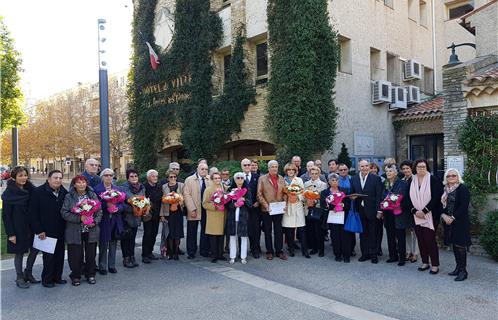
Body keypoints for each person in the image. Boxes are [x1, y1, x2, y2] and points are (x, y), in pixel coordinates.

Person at [2, 166, 39, 288]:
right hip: (18, 228)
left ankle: (28, 272)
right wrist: (11, 234)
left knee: (35, 249)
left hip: (32, 226)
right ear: (14, 177)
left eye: (25, 175)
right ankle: (19, 277)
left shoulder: (31, 189)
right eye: (20, 176)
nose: (24, 178)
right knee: (19, 252)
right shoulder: (9, 193)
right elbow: (6, 216)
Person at [61, 175, 102, 286]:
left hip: (91, 229)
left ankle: (90, 274)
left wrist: (95, 222)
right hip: (75, 230)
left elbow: (99, 211)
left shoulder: (92, 194)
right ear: (74, 184)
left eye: (83, 182)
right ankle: (76, 275)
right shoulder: (69, 196)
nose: (81, 184)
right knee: (75, 255)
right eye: (78, 182)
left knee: (91, 254)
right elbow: (64, 213)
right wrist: (80, 218)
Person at [30, 170, 68, 287]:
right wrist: (39, 230)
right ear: (49, 179)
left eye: (60, 178)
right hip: (45, 231)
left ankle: (57, 277)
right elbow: (33, 213)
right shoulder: (38, 192)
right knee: (49, 257)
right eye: (55, 178)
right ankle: (47, 280)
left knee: (60, 255)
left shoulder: (64, 192)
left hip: (60, 229)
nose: (58, 180)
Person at [407, 159, 443, 274]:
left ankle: (435, 264)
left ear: (427, 167)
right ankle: (425, 262)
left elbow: (437, 197)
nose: (421, 169)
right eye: (418, 167)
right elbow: (407, 197)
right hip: (416, 215)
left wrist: (425, 210)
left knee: (430, 240)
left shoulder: (433, 180)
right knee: (421, 240)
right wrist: (414, 211)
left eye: (423, 166)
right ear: (415, 168)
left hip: (430, 215)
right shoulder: (411, 181)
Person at [441, 168, 471, 281]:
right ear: (446, 178)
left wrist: (452, 217)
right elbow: (441, 206)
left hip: (460, 222)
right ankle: (458, 268)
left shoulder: (462, 189)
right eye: (449, 176)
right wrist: (443, 216)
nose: (451, 177)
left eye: (454, 175)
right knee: (454, 245)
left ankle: (463, 271)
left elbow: (464, 206)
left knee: (460, 245)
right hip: (448, 222)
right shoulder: (444, 190)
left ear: (458, 177)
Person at [351, 159, 383, 263]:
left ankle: (373, 254)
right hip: (360, 210)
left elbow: (379, 196)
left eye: (366, 166)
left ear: (369, 167)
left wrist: (379, 210)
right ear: (359, 167)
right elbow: (352, 193)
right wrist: (353, 197)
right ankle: (365, 254)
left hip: (372, 210)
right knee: (362, 233)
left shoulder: (376, 179)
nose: (364, 168)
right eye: (362, 166)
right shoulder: (354, 179)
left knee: (373, 233)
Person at [380, 165, 412, 266]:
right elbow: (382, 196)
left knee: (400, 236)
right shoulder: (385, 183)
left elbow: (405, 197)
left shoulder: (402, 183)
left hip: (399, 213)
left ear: (396, 172)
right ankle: (392, 256)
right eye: (387, 171)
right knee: (390, 235)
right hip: (388, 213)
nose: (388, 173)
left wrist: (397, 205)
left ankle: (401, 258)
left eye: (390, 171)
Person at [94, 168, 124, 275]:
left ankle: (112, 265)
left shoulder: (117, 189)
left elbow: (122, 204)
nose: (108, 177)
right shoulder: (97, 189)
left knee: (113, 242)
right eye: (106, 175)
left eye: (110, 175)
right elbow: (95, 205)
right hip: (104, 219)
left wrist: (117, 208)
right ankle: (102, 266)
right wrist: (106, 205)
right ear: (102, 177)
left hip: (115, 219)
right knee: (103, 243)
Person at [257, 160, 287, 260]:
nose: (274, 168)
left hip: (278, 209)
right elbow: (259, 194)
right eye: (272, 167)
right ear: (268, 168)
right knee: (268, 230)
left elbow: (285, 192)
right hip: (267, 209)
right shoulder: (262, 179)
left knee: (278, 230)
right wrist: (266, 205)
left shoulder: (282, 178)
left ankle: (279, 251)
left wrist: (285, 203)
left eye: (276, 167)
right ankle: (269, 251)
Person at [322, 173, 353, 262]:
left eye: (336, 180)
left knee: (345, 236)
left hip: (343, 216)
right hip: (332, 217)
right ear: (329, 182)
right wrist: (332, 207)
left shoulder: (345, 191)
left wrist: (342, 204)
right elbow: (324, 205)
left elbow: (348, 204)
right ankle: (337, 255)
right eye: (332, 180)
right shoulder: (325, 192)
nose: (335, 182)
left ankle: (346, 255)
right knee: (335, 236)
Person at [184, 163, 211, 259]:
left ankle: (204, 250)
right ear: (197, 169)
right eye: (202, 169)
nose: (204, 170)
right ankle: (191, 251)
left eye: (206, 169)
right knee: (192, 231)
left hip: (206, 209)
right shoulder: (189, 180)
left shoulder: (209, 179)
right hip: (194, 209)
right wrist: (191, 209)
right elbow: (187, 195)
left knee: (205, 231)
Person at [226, 172, 253, 264]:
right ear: (234, 179)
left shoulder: (247, 190)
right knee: (232, 236)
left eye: (242, 178)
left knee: (244, 237)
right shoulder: (230, 189)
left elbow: (250, 204)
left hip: (243, 217)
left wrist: (244, 199)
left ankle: (243, 257)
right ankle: (232, 256)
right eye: (238, 178)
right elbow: (227, 204)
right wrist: (235, 204)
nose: (240, 179)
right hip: (232, 216)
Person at [120, 169, 145, 268]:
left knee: (132, 237)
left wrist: (142, 204)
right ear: (128, 178)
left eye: (135, 176)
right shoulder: (124, 187)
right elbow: (132, 199)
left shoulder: (141, 186)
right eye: (131, 176)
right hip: (127, 216)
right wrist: (139, 202)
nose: (134, 178)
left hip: (137, 216)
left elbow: (143, 199)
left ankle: (132, 257)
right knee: (126, 237)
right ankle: (126, 258)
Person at [282, 163, 307, 258]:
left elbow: (303, 192)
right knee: (289, 230)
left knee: (302, 229)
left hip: (297, 206)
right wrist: (288, 196)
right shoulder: (283, 181)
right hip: (288, 207)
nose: (291, 171)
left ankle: (305, 250)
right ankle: (291, 248)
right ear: (286, 171)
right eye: (289, 170)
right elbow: (281, 193)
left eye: (292, 170)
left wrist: (297, 197)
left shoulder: (299, 180)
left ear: (295, 171)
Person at [202, 172, 227, 263]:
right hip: (213, 215)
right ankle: (214, 255)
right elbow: (204, 203)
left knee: (221, 236)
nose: (217, 180)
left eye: (219, 178)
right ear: (212, 180)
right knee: (213, 236)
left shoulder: (223, 188)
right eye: (215, 178)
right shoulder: (208, 190)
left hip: (222, 214)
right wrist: (215, 206)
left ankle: (220, 254)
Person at [160, 169, 185, 260]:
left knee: (177, 232)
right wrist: (162, 215)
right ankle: (170, 251)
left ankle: (176, 252)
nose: (173, 178)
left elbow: (184, 197)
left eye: (175, 177)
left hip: (178, 212)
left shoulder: (181, 185)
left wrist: (178, 202)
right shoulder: (164, 187)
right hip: (168, 213)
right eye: (171, 177)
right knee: (169, 233)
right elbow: (162, 202)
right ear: (167, 178)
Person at [304, 166, 327, 258]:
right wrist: (307, 201)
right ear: (309, 174)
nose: (314, 175)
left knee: (319, 231)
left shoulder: (323, 184)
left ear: (319, 174)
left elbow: (324, 198)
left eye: (316, 173)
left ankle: (321, 249)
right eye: (312, 173)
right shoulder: (306, 184)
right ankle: (314, 248)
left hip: (318, 210)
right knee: (311, 230)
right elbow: (304, 196)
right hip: (308, 209)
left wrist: (315, 201)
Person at [241, 158, 262, 258]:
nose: (247, 167)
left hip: (255, 207)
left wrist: (258, 201)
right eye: (245, 165)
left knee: (255, 230)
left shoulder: (257, 177)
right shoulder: (238, 177)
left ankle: (255, 250)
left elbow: (261, 191)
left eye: (248, 165)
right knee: (243, 230)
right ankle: (242, 251)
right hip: (242, 208)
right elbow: (233, 191)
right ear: (241, 166)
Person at [142, 169, 162, 263]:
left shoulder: (159, 186)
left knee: (154, 233)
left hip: (157, 214)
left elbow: (160, 198)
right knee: (147, 234)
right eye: (153, 176)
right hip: (148, 214)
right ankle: (145, 254)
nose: (155, 178)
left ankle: (150, 252)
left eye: (156, 176)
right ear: (148, 177)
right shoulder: (144, 187)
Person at [400, 160, 418, 263]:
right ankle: (408, 251)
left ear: (412, 169)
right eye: (404, 169)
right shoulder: (402, 180)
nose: (405, 170)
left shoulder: (416, 179)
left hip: (414, 209)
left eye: (407, 168)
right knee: (406, 231)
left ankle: (415, 252)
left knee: (415, 232)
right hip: (404, 209)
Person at [338, 163, 356, 257]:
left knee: (350, 228)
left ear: (348, 170)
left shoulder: (352, 179)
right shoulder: (336, 180)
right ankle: (341, 248)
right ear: (338, 171)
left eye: (345, 169)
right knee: (340, 229)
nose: (343, 171)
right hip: (339, 207)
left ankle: (351, 248)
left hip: (351, 207)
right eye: (341, 170)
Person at [369, 162, 384, 256]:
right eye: (371, 168)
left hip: (380, 208)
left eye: (375, 168)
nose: (373, 170)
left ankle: (378, 248)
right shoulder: (366, 180)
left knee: (379, 230)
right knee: (371, 230)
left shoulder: (382, 179)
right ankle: (372, 247)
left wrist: (381, 210)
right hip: (369, 209)